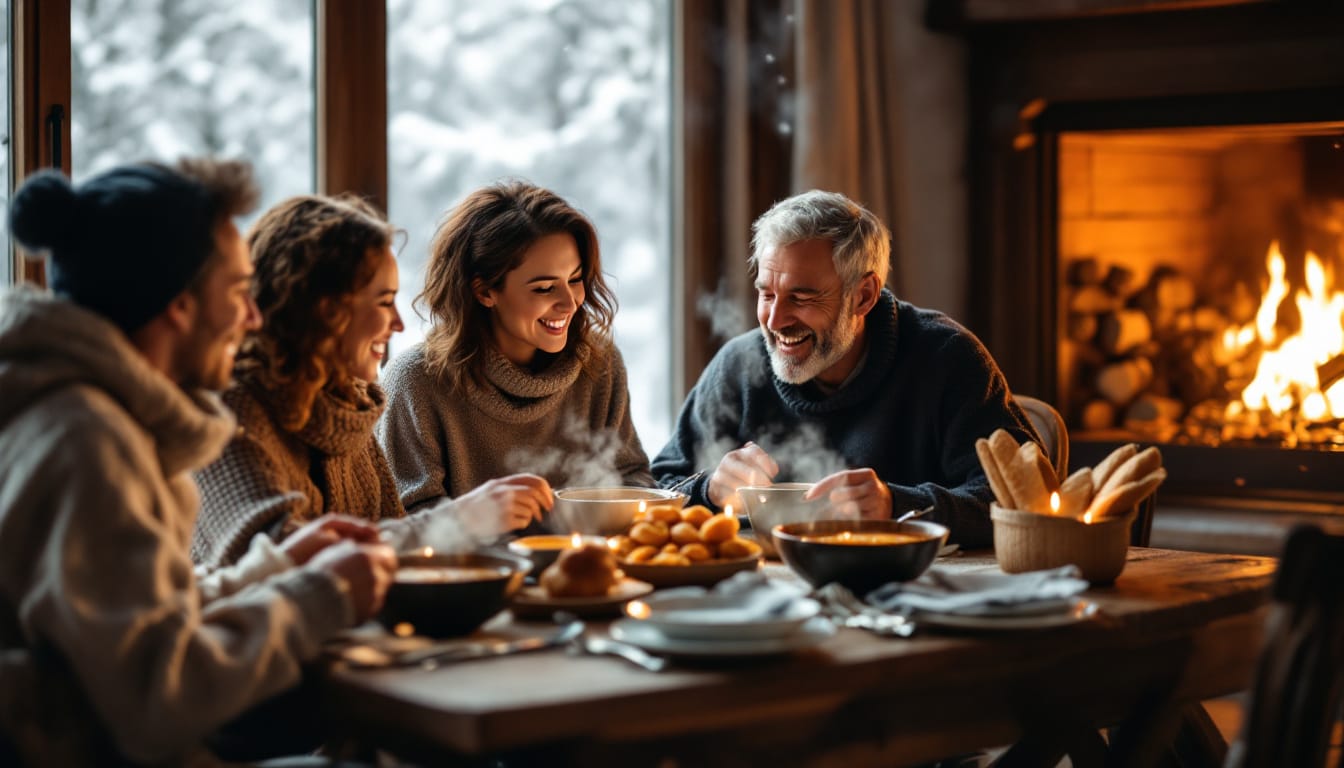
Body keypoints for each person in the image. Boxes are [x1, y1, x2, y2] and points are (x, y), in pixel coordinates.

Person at [0, 160, 397, 766]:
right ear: (179, 305)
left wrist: (279, 568)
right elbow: (159, 701)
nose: (254, 318)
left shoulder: (92, 417)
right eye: (240, 293)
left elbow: (148, 623)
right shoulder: (87, 441)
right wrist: (320, 596)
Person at [651, 190, 1038, 548]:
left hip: (913, 592)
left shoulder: (947, 359)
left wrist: (895, 506)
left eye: (801, 298)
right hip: (766, 594)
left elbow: (1027, 498)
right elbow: (655, 489)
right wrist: (709, 490)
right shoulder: (739, 365)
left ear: (864, 295)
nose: (775, 320)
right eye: (767, 294)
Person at [378, 180, 651, 538]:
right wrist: (476, 517)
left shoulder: (600, 364)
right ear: (484, 291)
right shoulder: (416, 380)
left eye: (576, 279)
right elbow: (402, 529)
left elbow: (633, 479)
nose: (570, 303)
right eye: (543, 288)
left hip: (587, 581)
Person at [192, 194, 424, 567]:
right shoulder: (230, 408)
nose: (398, 323)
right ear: (324, 309)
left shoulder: (349, 402)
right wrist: (466, 518)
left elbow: (394, 556)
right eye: (384, 302)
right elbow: (273, 559)